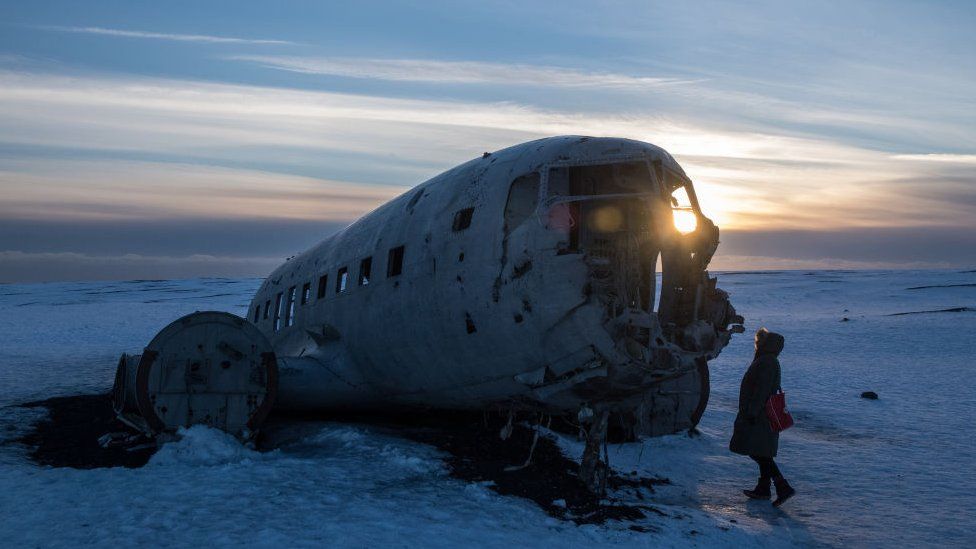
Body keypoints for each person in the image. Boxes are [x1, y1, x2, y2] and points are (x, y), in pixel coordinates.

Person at [730, 327, 796, 507]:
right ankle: (764, 488)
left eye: (759, 342)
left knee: (758, 452)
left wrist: (751, 412)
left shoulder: (766, 362)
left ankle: (782, 487)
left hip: (759, 415)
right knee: (761, 451)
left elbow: (761, 391)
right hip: (761, 414)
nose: (756, 345)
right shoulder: (768, 360)